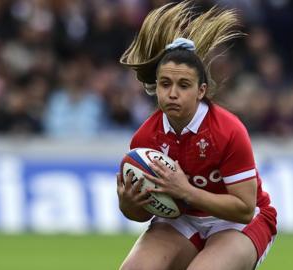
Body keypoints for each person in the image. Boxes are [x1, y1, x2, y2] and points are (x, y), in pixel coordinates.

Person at [116, 2, 277, 270]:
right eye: (165, 84)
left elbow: (244, 208)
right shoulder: (146, 138)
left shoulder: (227, 130)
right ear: (156, 88)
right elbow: (141, 213)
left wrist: (186, 191)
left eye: (184, 85)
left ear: (201, 91)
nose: (173, 93)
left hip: (237, 221)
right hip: (183, 218)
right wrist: (128, 204)